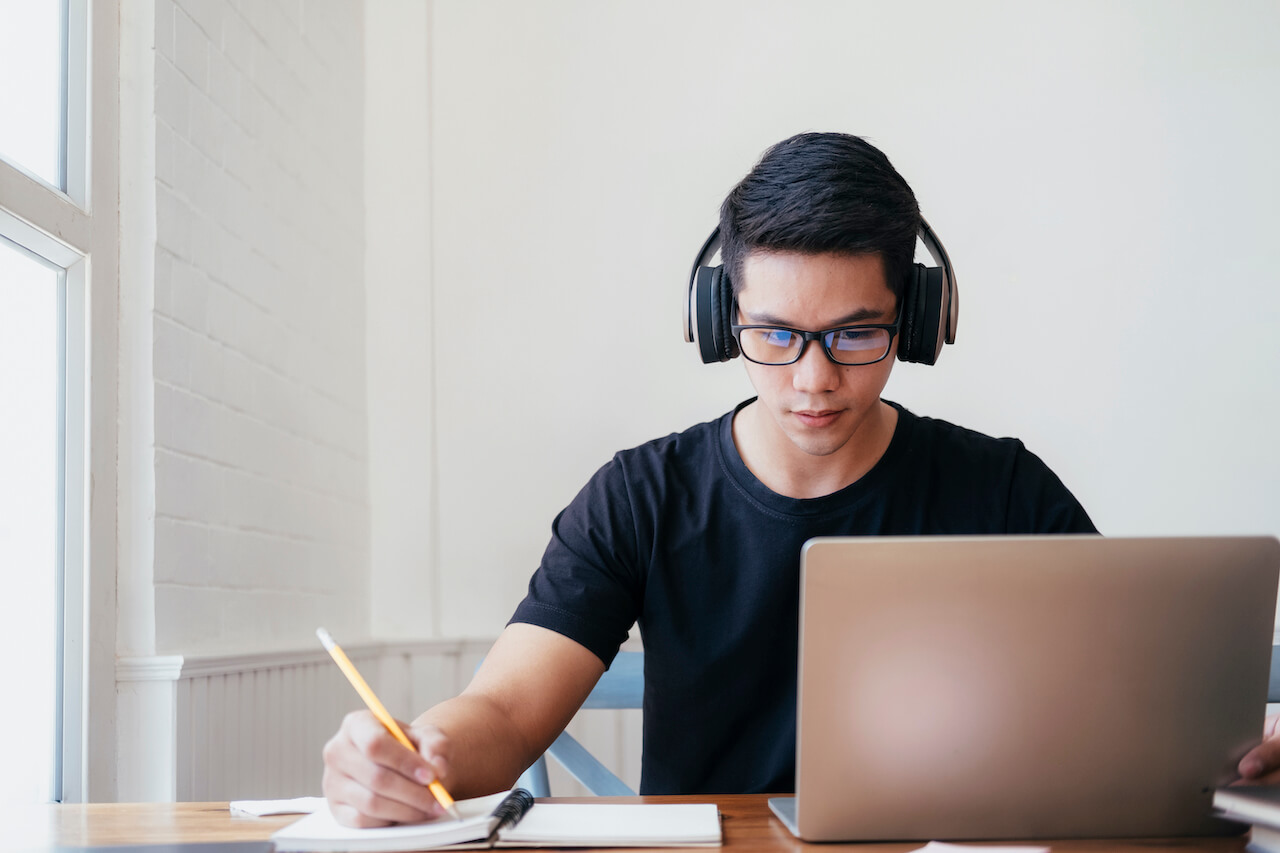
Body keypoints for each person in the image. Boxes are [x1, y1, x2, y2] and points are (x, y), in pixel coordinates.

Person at [319, 133, 1275, 827]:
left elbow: (1139, 705)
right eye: (773, 334)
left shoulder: (1005, 489)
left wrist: (1240, 763)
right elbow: (505, 709)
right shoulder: (640, 497)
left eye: (855, 333)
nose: (813, 379)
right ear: (716, 318)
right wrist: (421, 751)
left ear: (918, 320)